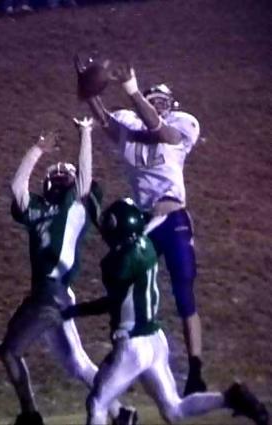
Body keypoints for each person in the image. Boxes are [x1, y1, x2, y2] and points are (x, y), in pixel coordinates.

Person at [62, 197, 269, 425]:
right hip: (155, 340)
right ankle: (230, 398)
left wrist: (74, 311)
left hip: (132, 345)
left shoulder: (118, 264)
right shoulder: (147, 246)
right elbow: (135, 224)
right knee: (173, 409)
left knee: (97, 403)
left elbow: (111, 302)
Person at [76, 57, 207, 395]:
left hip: (173, 219)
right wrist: (88, 89)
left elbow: (161, 131)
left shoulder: (181, 125)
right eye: (154, 100)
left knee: (183, 293)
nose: (158, 105)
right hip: (143, 223)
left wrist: (133, 91)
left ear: (172, 105)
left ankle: (195, 369)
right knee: (125, 289)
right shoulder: (129, 125)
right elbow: (104, 119)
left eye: (163, 101)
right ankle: (127, 356)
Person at [0, 118, 136, 425]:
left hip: (52, 293)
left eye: (65, 178)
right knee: (76, 363)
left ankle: (30, 416)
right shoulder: (36, 209)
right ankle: (120, 412)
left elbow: (85, 179)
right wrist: (37, 150)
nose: (59, 181)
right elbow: (17, 187)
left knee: (10, 351)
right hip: (48, 294)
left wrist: (85, 133)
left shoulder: (75, 206)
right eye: (56, 177)